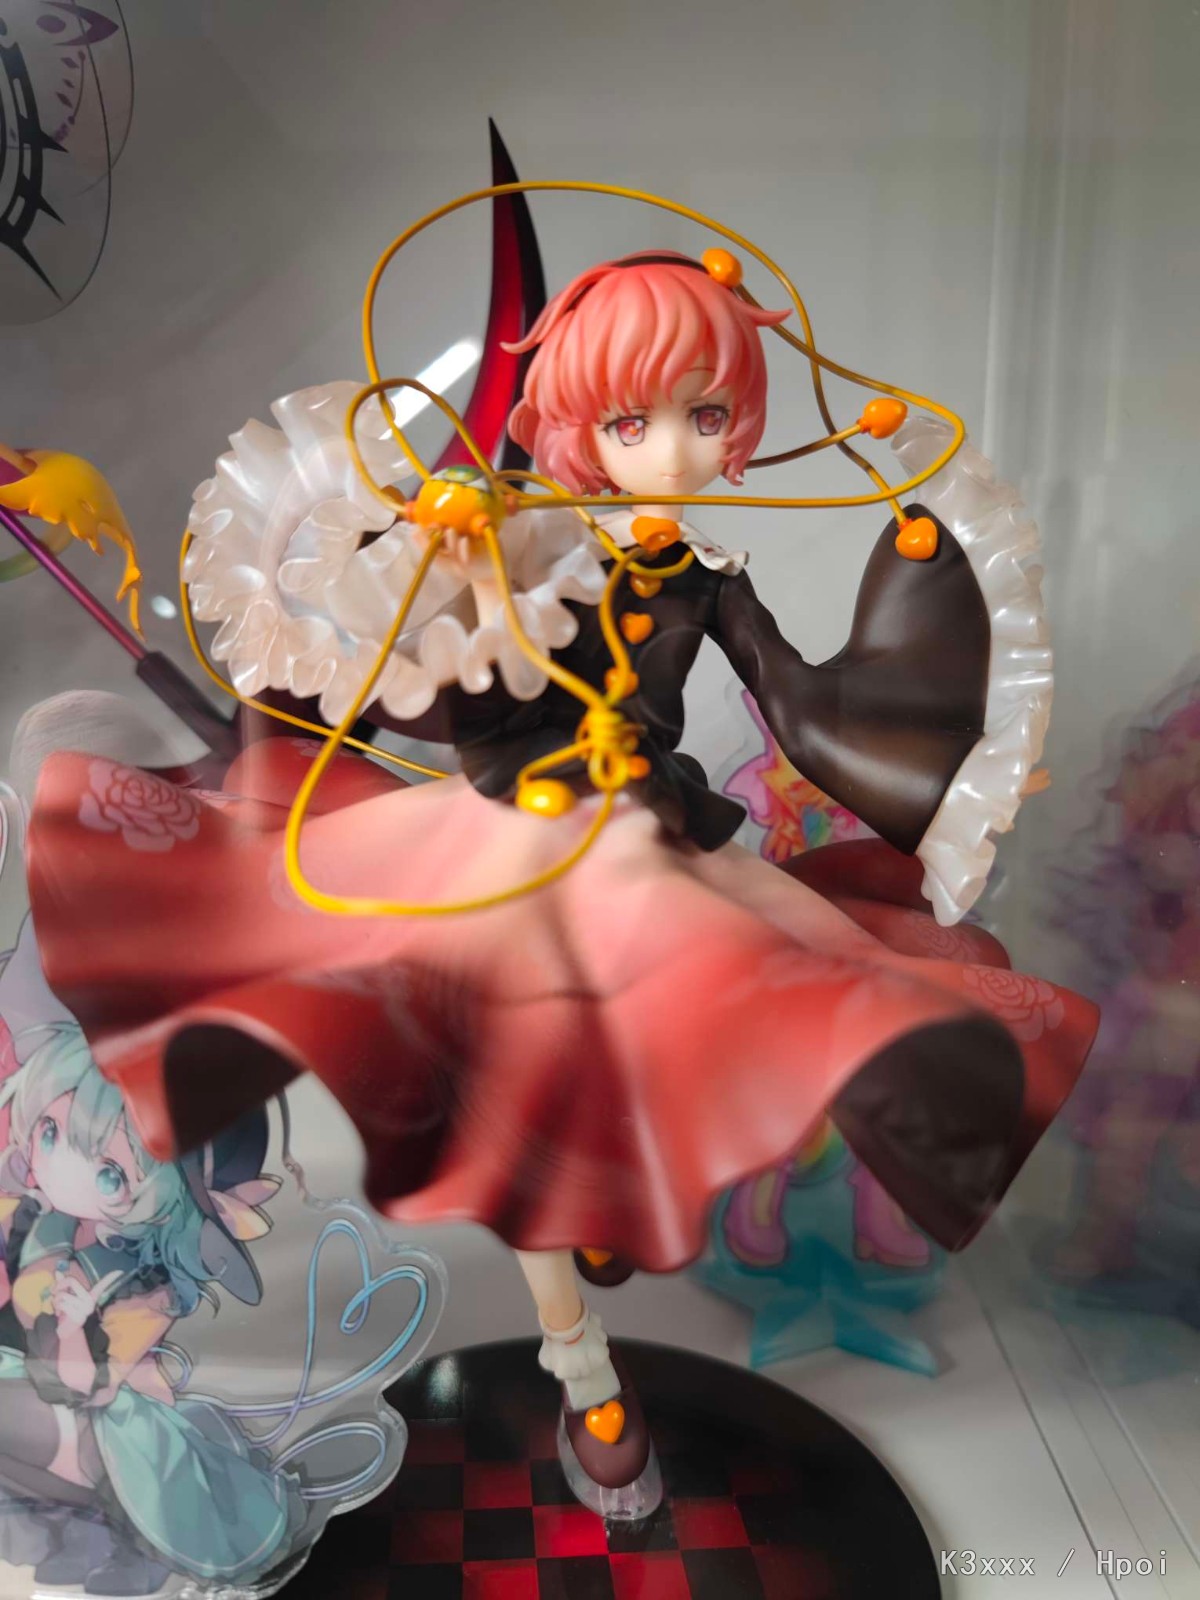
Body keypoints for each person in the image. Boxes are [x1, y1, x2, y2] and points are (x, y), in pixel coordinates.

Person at [18, 248, 1097, 1516]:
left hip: (652, 833)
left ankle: (616, 1218)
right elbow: (426, 685)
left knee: (836, 989)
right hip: (519, 837)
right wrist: (412, 605)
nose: (673, 448)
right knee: (501, 1077)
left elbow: (805, 708)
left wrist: (939, 710)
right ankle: (580, 1365)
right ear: (583, 430)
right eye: (633, 423)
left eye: (706, 413)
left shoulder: (706, 576)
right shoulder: (524, 542)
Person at [0, 1023, 305, 1593]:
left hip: (103, 1427)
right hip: (37, 1393)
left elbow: (87, 1389)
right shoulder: (45, 1226)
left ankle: (110, 1540)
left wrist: (72, 1326)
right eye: (50, 1131)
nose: (59, 1166)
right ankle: (64, 1538)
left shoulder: (150, 1287)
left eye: (110, 1174)